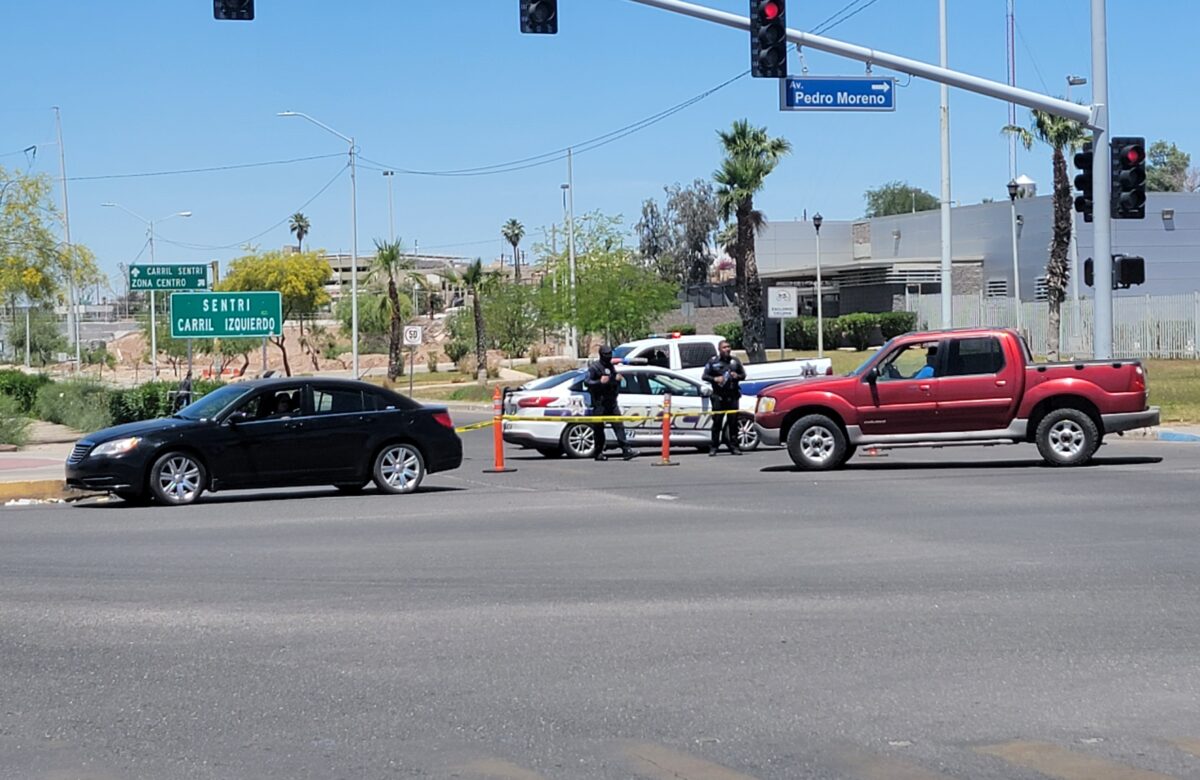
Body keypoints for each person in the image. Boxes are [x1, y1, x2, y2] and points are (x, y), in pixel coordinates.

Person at [585, 345, 634, 461]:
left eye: (610, 354)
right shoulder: (595, 367)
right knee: (599, 429)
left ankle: (626, 450)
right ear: (601, 355)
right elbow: (587, 382)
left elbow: (612, 380)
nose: (608, 357)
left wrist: (617, 378)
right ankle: (598, 452)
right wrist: (599, 382)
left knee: (619, 426)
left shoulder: (611, 366)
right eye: (606, 355)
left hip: (611, 402)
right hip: (599, 403)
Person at [702, 339, 747, 456]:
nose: (727, 349)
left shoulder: (735, 361)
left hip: (732, 395)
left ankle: (734, 447)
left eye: (728, 347)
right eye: (724, 347)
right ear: (719, 349)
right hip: (718, 396)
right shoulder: (713, 361)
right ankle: (714, 447)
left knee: (733, 423)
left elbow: (743, 375)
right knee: (717, 422)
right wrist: (715, 379)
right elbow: (705, 376)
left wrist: (737, 376)